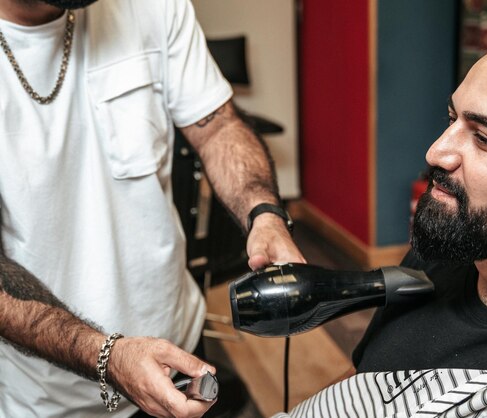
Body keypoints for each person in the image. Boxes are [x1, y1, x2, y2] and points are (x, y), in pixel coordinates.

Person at [273, 25, 487, 417]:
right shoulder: (441, 257)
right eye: (451, 117)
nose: (436, 152)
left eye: (486, 139)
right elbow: (365, 382)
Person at [0, 0, 305, 417]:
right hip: (53, 394)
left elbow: (217, 127)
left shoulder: (154, 7)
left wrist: (264, 212)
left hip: (180, 347)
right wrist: (109, 356)